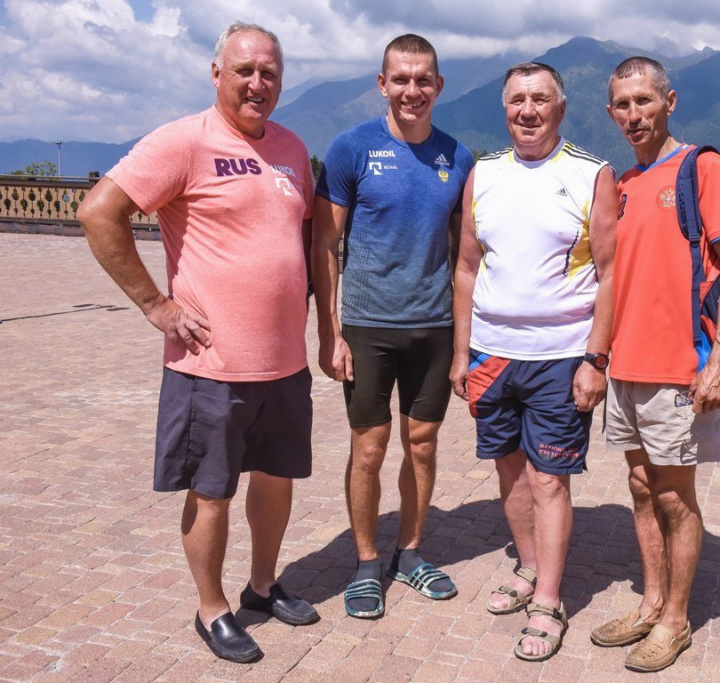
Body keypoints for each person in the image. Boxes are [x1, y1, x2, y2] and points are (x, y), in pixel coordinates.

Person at [77, 23, 319, 663]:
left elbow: (302, 239)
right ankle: (212, 609)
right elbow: (99, 212)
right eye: (244, 70)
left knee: (275, 480)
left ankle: (263, 586)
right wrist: (156, 304)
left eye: (269, 71)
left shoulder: (294, 149)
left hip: (285, 363)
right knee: (212, 490)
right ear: (217, 74)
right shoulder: (184, 140)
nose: (257, 83)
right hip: (211, 364)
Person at [590, 56, 720, 673]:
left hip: (681, 367)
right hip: (626, 368)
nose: (634, 115)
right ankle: (650, 604)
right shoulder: (624, 185)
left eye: (644, 101)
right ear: (611, 113)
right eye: (622, 106)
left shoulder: (700, 167)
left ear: (669, 101)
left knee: (675, 497)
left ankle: (677, 621)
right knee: (639, 488)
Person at [450, 62, 617, 662]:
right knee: (509, 471)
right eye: (517, 100)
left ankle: (549, 597)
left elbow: (610, 273)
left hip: (559, 355)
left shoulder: (592, 174)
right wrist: (458, 354)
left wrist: (596, 359)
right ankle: (526, 566)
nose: (528, 111)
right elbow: (466, 268)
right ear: (504, 109)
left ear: (560, 108)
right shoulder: (483, 174)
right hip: (491, 354)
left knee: (550, 478)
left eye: (540, 100)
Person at [311, 34, 473, 619]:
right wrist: (329, 332)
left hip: (432, 328)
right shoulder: (352, 148)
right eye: (400, 79)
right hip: (367, 326)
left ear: (439, 86)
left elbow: (467, 256)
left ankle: (409, 553)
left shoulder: (459, 157)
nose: (412, 90)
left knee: (422, 445)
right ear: (382, 84)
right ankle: (364, 561)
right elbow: (324, 241)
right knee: (370, 448)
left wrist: (464, 341)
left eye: (423, 79)